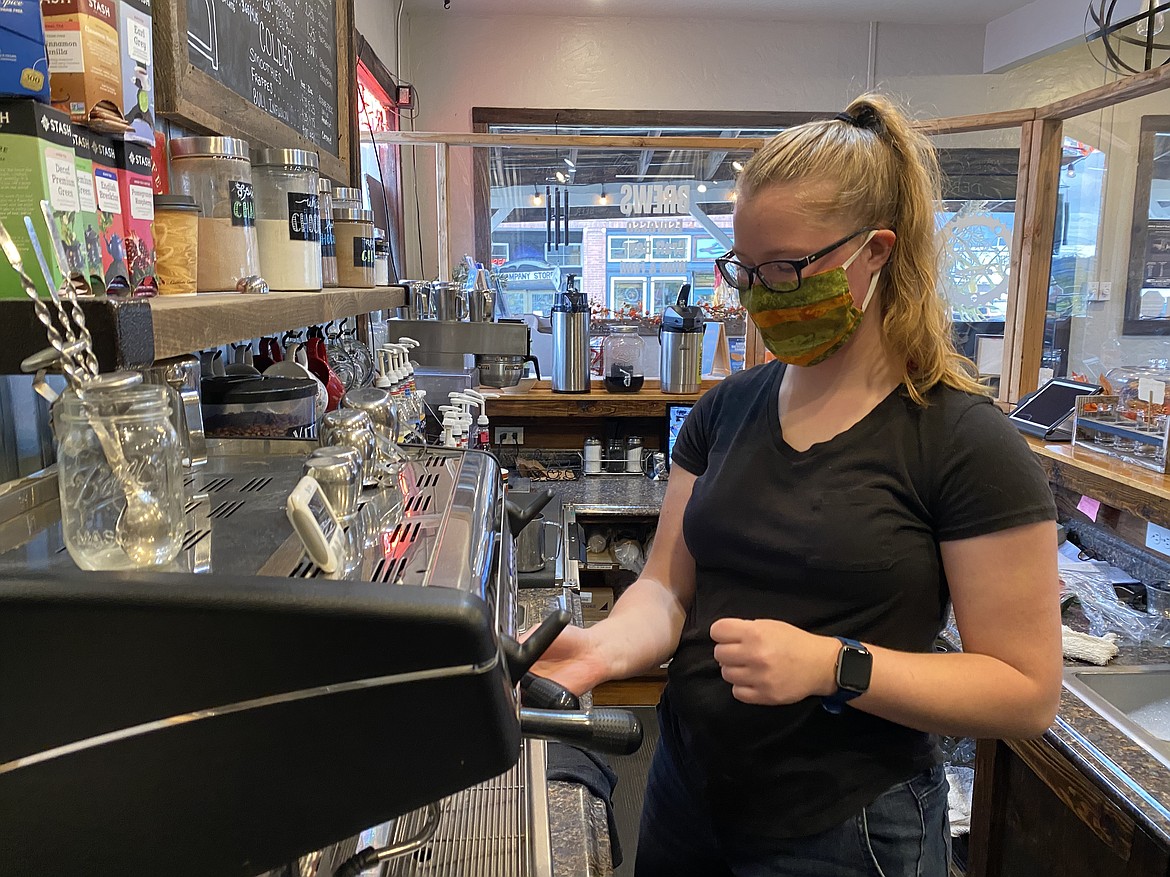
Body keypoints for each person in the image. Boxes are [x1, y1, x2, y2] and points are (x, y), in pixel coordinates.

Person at [531, 94, 1061, 877]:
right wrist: (600, 650)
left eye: (786, 268)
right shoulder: (725, 409)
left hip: (848, 830)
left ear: (874, 252)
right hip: (688, 795)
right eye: (746, 270)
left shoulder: (962, 441)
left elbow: (1025, 690)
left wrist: (832, 665)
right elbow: (668, 590)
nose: (759, 294)